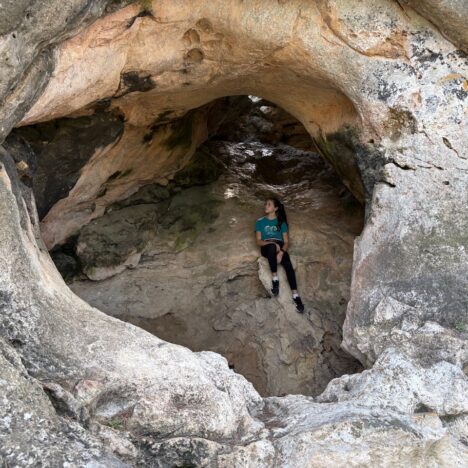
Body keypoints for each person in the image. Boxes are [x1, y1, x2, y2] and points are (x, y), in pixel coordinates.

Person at [254, 197, 305, 313]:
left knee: (288, 264)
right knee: (272, 247)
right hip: (267, 247)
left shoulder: (280, 223)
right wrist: (272, 243)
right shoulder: (260, 222)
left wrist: (281, 252)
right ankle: (275, 279)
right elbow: (258, 241)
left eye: (269, 204)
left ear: (275, 208)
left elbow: (286, 242)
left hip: (280, 247)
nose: (266, 206)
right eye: (266, 204)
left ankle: (296, 296)